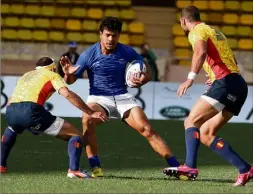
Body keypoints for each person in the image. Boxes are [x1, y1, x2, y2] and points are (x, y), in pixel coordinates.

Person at [60, 16, 180, 178]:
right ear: (100, 34)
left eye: (114, 35)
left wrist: (144, 78)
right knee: (87, 119)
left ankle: (177, 167)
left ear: (119, 35)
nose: (111, 39)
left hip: (123, 97)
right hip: (99, 98)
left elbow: (146, 71)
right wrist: (67, 75)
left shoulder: (127, 51)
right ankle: (96, 166)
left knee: (147, 130)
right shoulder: (88, 55)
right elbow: (72, 81)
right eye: (107, 35)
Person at [163, 6, 253, 186]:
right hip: (239, 85)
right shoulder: (216, 32)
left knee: (190, 122)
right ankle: (245, 169)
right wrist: (213, 77)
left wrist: (190, 79)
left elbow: (200, 52)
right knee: (205, 133)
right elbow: (230, 60)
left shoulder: (196, 31)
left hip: (225, 83)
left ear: (183, 21)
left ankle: (189, 166)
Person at [0, 57, 108, 179]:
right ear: (52, 68)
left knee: (12, 129)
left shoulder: (26, 75)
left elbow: (12, 98)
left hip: (10, 110)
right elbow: (67, 94)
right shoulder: (51, 74)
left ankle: (1, 165)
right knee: (75, 135)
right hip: (31, 111)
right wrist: (90, 112)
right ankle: (74, 170)